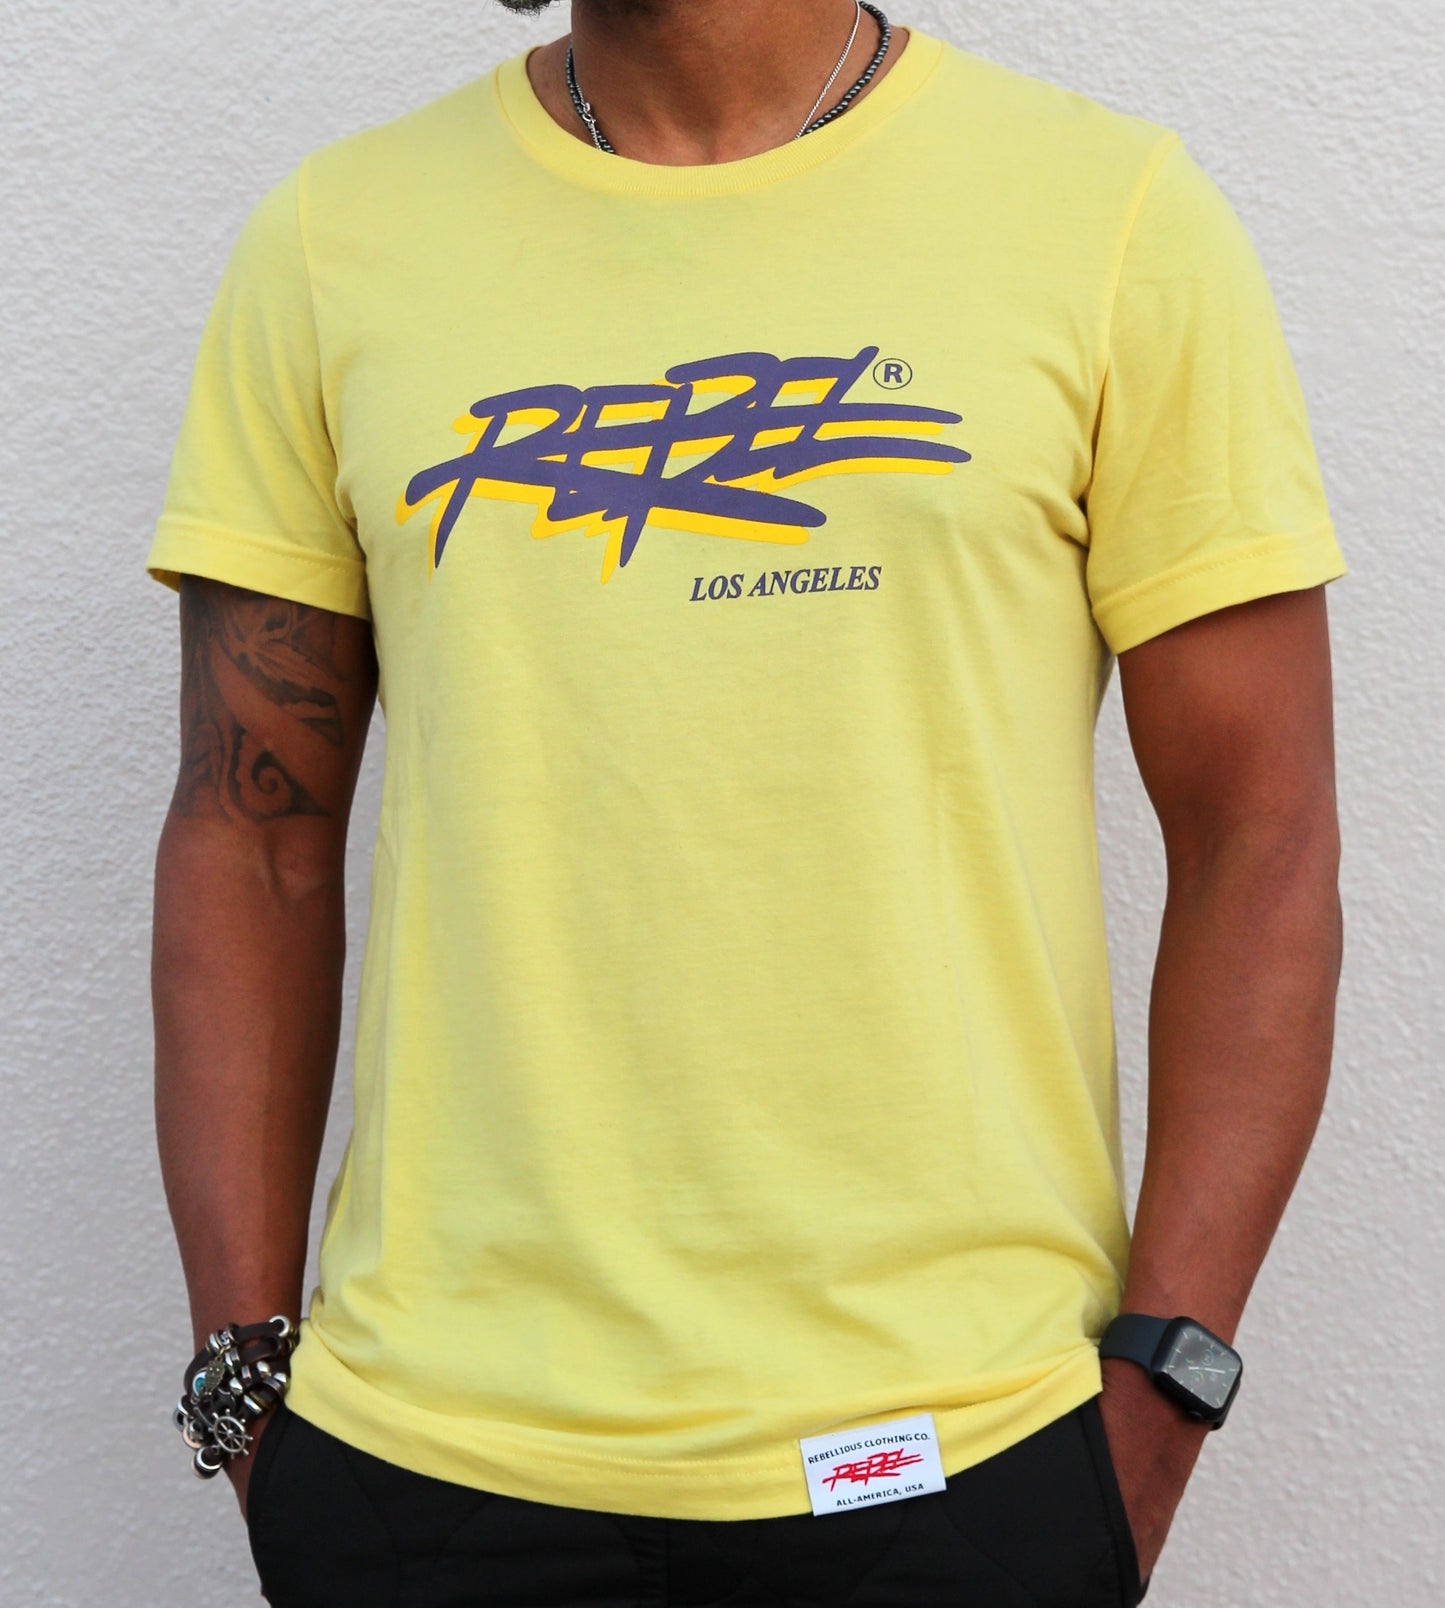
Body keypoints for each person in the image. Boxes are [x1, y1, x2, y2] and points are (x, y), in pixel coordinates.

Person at [148, 1, 1346, 1603]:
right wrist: (246, 1393)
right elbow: (252, 832)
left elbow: (1259, 833)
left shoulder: (1111, 217)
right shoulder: (331, 239)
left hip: (960, 1452)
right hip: (428, 1465)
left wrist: (1158, 1398)